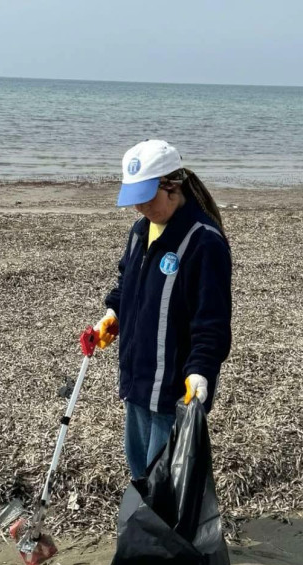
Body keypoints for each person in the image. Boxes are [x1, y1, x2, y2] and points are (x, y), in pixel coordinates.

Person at [87, 139, 232, 480]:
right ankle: (148, 525)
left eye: (147, 197)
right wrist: (112, 317)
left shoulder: (203, 242)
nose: (140, 207)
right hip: (138, 379)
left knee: (166, 475)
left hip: (174, 390)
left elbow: (211, 321)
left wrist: (201, 371)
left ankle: (169, 531)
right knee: (139, 468)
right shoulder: (140, 232)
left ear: (172, 186)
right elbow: (128, 286)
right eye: (134, 198)